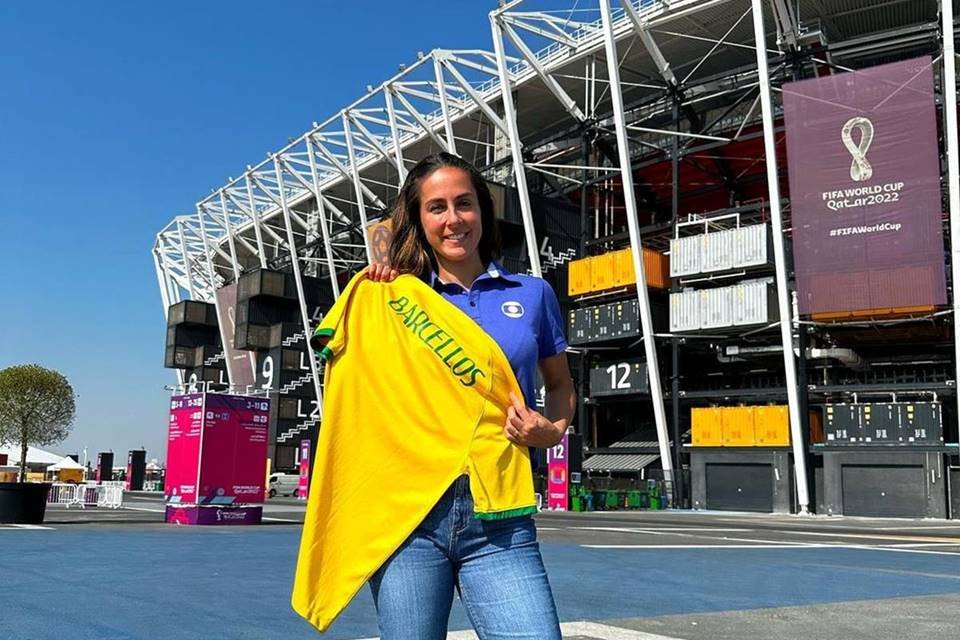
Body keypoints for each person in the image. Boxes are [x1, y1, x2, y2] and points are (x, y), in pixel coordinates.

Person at [365, 152, 576, 639]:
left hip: (500, 518)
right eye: (435, 207)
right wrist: (382, 276)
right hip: (408, 517)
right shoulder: (396, 298)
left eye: (464, 203)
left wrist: (553, 429)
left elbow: (561, 384)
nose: (453, 219)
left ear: (483, 210)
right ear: (418, 221)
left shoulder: (534, 293)